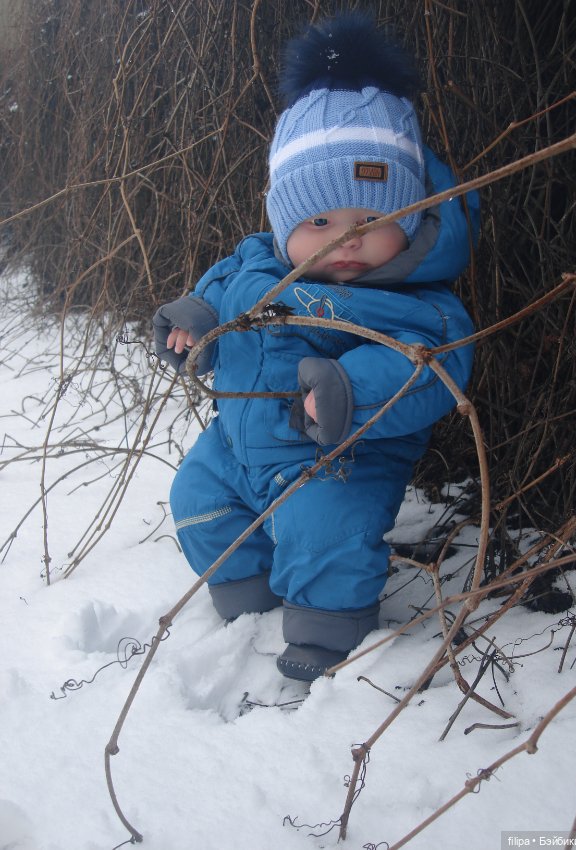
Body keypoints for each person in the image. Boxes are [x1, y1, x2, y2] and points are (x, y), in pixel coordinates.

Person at [153, 13, 479, 682]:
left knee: (327, 532)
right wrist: (194, 323)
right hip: (237, 444)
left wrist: (349, 389)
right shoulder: (257, 264)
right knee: (198, 500)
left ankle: (328, 630)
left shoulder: (418, 303)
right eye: (321, 221)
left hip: (336, 458)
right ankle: (244, 592)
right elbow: (216, 293)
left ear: (413, 215)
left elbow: (425, 367)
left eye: (374, 220)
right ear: (283, 221)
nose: (346, 240)